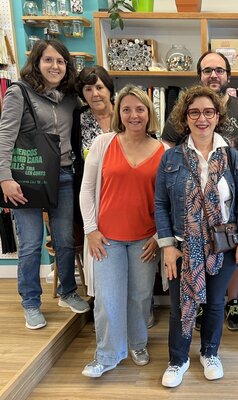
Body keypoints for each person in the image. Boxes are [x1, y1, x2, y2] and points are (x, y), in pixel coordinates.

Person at [155, 85, 238, 388]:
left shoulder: (232, 157)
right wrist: (167, 246)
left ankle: (209, 353)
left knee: (214, 304)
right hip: (182, 245)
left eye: (208, 112)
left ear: (217, 116)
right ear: (184, 117)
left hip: (222, 243)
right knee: (180, 305)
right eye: (194, 112)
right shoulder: (171, 158)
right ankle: (178, 359)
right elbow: (160, 204)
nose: (202, 118)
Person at [163, 51, 238, 331]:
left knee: (231, 251)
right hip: (192, 205)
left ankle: (231, 301)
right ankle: (202, 304)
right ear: (199, 76)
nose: (213, 75)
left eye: (219, 70)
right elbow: (168, 148)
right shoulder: (185, 109)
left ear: (228, 75)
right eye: (207, 70)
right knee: (202, 256)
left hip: (235, 199)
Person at [0, 39, 89, 329]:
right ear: (37, 63)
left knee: (65, 239)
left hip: (63, 175)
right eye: (49, 60)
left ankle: (67, 291)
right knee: (30, 243)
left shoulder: (69, 97)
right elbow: (5, 137)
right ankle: (30, 302)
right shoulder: (19, 93)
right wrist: (4, 178)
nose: (55, 66)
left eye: (60, 61)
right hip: (27, 178)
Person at [80, 85, 164, 378]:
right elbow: (87, 190)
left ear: (149, 113)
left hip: (145, 240)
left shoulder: (164, 151)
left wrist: (158, 237)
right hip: (106, 239)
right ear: (119, 113)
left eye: (139, 109)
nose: (133, 115)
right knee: (107, 298)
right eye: (126, 109)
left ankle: (137, 344)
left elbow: (168, 201)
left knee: (140, 297)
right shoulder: (103, 143)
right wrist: (90, 229)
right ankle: (107, 354)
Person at [71, 66, 114, 245]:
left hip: (125, 193)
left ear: (109, 89)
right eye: (88, 89)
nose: (95, 94)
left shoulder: (127, 113)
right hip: (92, 196)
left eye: (99, 87)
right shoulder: (78, 119)